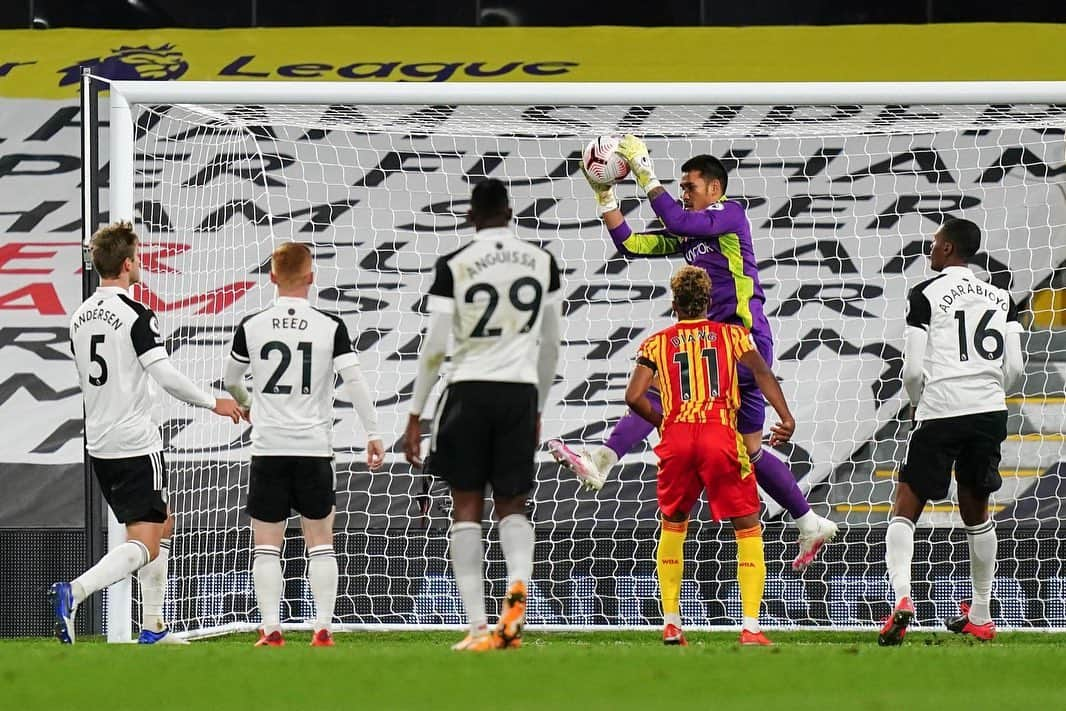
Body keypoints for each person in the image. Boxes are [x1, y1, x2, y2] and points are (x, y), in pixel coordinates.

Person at [549, 135, 837, 570]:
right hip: (716, 342)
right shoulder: (690, 232)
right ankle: (809, 521)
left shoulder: (728, 215)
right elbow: (632, 243)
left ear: (714, 189)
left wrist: (645, 171)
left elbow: (680, 221)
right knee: (750, 449)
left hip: (740, 336)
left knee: (668, 392)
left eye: (690, 186)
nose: (684, 192)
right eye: (681, 187)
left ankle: (603, 460)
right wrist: (605, 195)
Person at [52, 221, 244, 645]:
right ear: (126, 264)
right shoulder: (136, 315)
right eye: (137, 258)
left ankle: (154, 627)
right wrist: (217, 402)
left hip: (100, 442)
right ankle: (75, 592)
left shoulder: (79, 317)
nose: (140, 265)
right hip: (136, 442)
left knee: (163, 522)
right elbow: (166, 376)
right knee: (147, 543)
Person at [403, 179, 562, 651]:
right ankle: (514, 610)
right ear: (511, 212)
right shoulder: (542, 261)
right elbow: (551, 344)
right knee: (513, 504)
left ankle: (477, 628)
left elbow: (433, 348)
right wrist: (537, 403)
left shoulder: (454, 265)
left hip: (467, 392)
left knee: (465, 508)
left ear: (471, 215)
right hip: (518, 394)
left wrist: (415, 415)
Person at [223, 241, 384, 648]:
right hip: (313, 448)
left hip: (269, 448)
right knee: (320, 541)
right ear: (311, 277)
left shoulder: (252, 324)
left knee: (266, 546)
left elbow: (230, 382)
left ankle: (272, 629)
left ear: (272, 276)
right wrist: (373, 433)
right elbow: (355, 382)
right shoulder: (330, 325)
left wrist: (247, 405)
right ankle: (323, 628)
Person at [626, 265, 796, 646]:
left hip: (678, 436)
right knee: (748, 526)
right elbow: (763, 374)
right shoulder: (733, 335)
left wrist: (664, 421)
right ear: (710, 301)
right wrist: (786, 417)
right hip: (720, 431)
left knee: (673, 525)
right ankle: (751, 627)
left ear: (674, 304)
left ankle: (671, 623)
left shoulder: (655, 343)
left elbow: (633, 396)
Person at [879, 218, 1023, 646]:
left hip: (940, 407)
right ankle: (981, 612)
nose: (930, 247)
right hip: (988, 410)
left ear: (946, 250)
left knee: (906, 504)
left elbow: (913, 369)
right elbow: (1014, 366)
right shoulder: (1002, 296)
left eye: (935, 241)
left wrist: (919, 402)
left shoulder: (925, 294)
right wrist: (990, 393)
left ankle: (902, 599)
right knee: (977, 511)